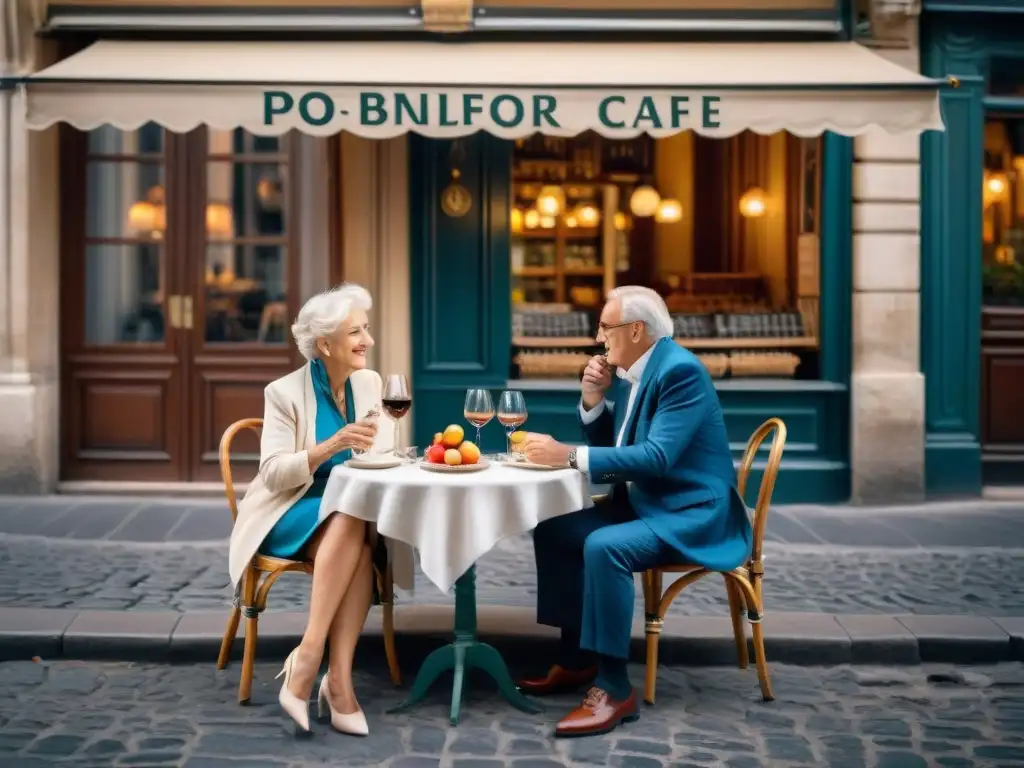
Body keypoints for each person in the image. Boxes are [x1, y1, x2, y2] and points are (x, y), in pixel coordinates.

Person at [519, 285, 753, 738]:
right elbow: (619, 447)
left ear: (636, 330)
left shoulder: (679, 371)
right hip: (647, 502)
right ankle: (578, 658)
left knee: (605, 547)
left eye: (606, 327)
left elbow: (656, 458)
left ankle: (613, 687)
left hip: (691, 512)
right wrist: (593, 398)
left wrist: (568, 455)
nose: (598, 336)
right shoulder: (634, 369)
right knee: (554, 529)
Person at [227, 283, 389, 738]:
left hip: (345, 514)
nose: (368, 341)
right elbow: (275, 474)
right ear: (325, 344)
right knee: (350, 518)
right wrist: (330, 446)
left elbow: (385, 454)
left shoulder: (370, 383)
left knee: (351, 517)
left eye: (367, 329)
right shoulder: (282, 392)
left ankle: (328, 673)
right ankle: (322, 669)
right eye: (357, 332)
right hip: (289, 511)